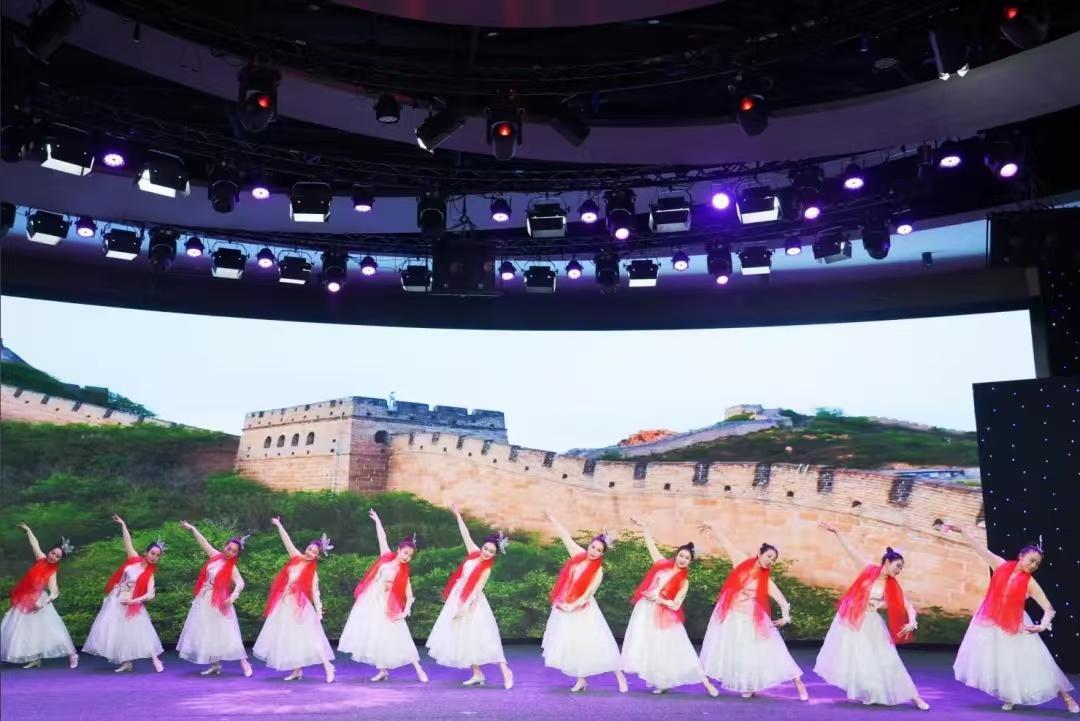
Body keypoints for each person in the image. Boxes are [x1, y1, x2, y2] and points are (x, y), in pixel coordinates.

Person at [941, 523, 1078, 713]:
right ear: (1021, 556)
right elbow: (979, 548)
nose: (1034, 565)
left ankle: (1067, 697)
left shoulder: (1030, 583)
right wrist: (962, 531)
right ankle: (1010, 696)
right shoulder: (1000, 565)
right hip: (992, 621)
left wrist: (1042, 626)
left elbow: (1048, 608)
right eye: (1031, 560)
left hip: (1016, 624)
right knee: (1002, 662)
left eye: (1037, 564)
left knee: (1037, 662)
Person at [814, 521, 929, 710]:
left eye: (901, 568)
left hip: (873, 625)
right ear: (887, 562)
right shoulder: (869, 569)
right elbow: (851, 551)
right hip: (855, 623)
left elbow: (907, 605)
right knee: (860, 659)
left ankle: (915, 698)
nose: (898, 570)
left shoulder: (892, 585)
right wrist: (838, 532)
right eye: (897, 565)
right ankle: (873, 691)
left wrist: (912, 621)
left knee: (889, 659)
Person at [698, 520, 808, 700]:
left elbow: (782, 601)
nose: (770, 561)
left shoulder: (765, 580)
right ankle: (748, 685)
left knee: (772, 649)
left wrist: (786, 617)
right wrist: (712, 525)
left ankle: (798, 682)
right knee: (740, 652)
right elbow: (726, 542)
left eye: (773, 560)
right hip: (732, 615)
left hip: (752, 617)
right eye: (769, 556)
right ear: (759, 553)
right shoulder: (740, 560)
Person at [620, 518, 719, 697]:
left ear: (690, 562)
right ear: (676, 555)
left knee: (680, 646)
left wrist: (659, 599)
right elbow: (651, 546)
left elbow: (676, 604)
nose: (683, 559)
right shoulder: (662, 565)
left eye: (687, 558)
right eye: (681, 555)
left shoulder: (684, 582)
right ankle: (662, 682)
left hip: (665, 616)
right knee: (653, 647)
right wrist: (645, 528)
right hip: (646, 610)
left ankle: (706, 683)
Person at [426, 504, 514, 689]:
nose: (487, 552)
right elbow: (465, 534)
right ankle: (477, 673)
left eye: (491, 552)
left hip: (472, 603)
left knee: (485, 637)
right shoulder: (473, 554)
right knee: (464, 637)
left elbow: (476, 591)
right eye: (486, 548)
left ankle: (506, 671)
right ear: (482, 547)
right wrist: (458, 515)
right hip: (457, 597)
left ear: (495, 554)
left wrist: (463, 608)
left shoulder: (486, 569)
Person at [540, 511, 627, 693]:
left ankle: (620, 677)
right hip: (565, 604)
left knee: (598, 642)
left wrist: (572, 606)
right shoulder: (578, 554)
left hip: (583, 608)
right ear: (589, 545)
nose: (594, 551)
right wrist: (553, 519)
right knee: (573, 644)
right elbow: (565, 537)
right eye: (593, 547)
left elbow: (587, 595)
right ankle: (581, 680)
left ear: (603, 553)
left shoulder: (598, 571)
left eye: (599, 550)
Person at [338, 508, 428, 683]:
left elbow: (409, 595)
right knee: (375, 636)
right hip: (372, 600)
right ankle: (382, 671)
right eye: (405, 553)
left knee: (400, 636)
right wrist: (378, 521)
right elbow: (382, 538)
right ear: (399, 550)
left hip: (388, 605)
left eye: (410, 556)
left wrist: (405, 611)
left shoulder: (403, 572)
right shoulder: (386, 557)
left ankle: (419, 670)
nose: (407, 557)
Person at [252, 517, 335, 682]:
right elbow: (287, 542)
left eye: (314, 552)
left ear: (318, 556)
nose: (310, 553)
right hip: (285, 603)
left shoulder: (312, 572)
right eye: (310, 549)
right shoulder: (296, 557)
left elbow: (315, 592)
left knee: (312, 637)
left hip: (300, 606)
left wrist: (319, 611)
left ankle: (328, 667)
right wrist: (279, 525)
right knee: (290, 637)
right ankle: (297, 670)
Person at [82, 515, 165, 673]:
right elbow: (127, 541)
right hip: (117, 599)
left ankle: (156, 659)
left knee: (141, 630)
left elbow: (150, 595)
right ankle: (127, 662)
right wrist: (123, 524)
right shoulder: (133, 559)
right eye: (153, 553)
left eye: (157, 555)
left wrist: (133, 601)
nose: (154, 557)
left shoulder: (149, 574)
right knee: (119, 630)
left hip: (131, 602)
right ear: (146, 552)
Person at [175, 521, 253, 677]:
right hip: (205, 599)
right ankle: (215, 664)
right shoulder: (215, 556)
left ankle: (244, 662)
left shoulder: (232, 567)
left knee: (228, 631)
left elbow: (240, 583)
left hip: (220, 602)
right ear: (224, 547)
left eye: (234, 551)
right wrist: (193, 528)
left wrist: (232, 597)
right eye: (228, 548)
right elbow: (203, 543)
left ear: (237, 554)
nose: (230, 552)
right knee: (208, 630)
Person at [0, 523, 78, 669]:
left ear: (60, 559)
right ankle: (35, 659)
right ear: (49, 552)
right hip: (25, 599)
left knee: (53, 629)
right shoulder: (41, 558)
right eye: (52, 553)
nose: (53, 556)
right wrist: (29, 530)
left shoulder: (52, 572)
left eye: (57, 556)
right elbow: (34, 544)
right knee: (26, 629)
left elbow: (55, 592)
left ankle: (72, 654)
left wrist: (41, 604)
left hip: (39, 601)